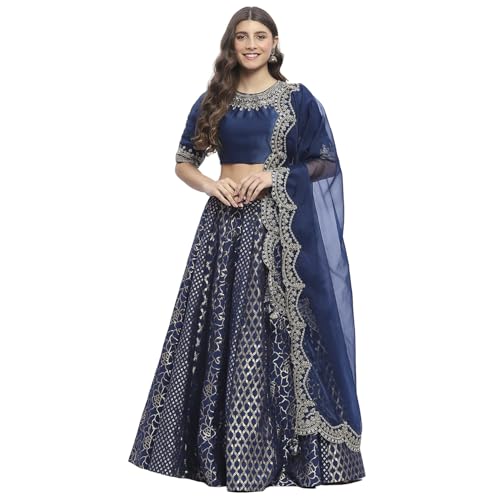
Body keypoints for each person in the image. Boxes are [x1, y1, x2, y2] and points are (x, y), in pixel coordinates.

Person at [128, 5, 365, 492]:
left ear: (275, 43)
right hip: (223, 228)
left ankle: (280, 453)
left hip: (278, 231)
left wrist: (276, 175)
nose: (251, 44)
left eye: (260, 36)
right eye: (242, 36)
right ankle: (222, 453)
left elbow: (325, 163)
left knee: (269, 334)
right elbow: (183, 160)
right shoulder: (214, 99)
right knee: (221, 328)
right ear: (231, 44)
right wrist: (212, 185)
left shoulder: (298, 99)